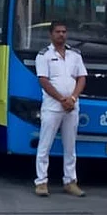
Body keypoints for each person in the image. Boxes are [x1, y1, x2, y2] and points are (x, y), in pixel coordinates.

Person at [33, 20, 87, 197]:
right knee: (45, 145)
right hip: (52, 107)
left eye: (64, 31)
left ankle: (70, 181)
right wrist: (61, 99)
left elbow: (81, 78)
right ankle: (41, 182)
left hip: (71, 107)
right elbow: (43, 80)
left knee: (70, 147)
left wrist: (72, 98)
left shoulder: (75, 55)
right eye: (58, 32)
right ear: (51, 34)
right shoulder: (44, 55)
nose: (61, 35)